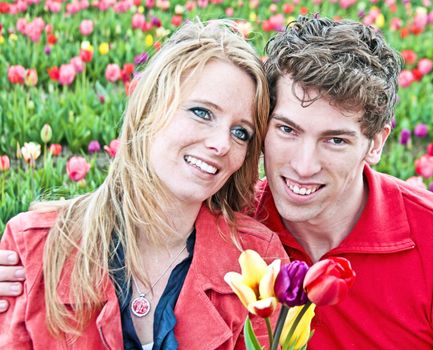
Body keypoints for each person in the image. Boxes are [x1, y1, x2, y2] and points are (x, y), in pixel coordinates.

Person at [0, 15, 433, 349]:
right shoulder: (241, 233)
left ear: (376, 142)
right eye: (285, 130)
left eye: (335, 140)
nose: (303, 165)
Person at [0, 20, 288, 349]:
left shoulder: (256, 262)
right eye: (201, 112)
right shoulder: (35, 248)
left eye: (241, 132)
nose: (222, 143)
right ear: (149, 109)